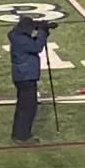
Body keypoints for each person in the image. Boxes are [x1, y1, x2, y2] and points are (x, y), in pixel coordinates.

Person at [8, 16, 49, 144]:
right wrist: (43, 33)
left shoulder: (16, 36)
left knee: (22, 106)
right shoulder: (22, 40)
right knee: (28, 107)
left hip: (21, 76)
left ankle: (18, 134)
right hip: (26, 76)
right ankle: (23, 136)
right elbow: (37, 47)